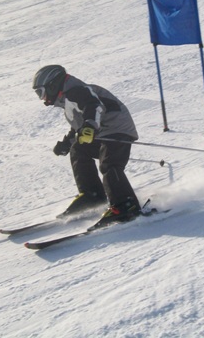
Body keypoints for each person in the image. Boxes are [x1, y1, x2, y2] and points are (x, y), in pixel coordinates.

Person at [32, 65, 142, 226]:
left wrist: (90, 126)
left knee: (109, 164)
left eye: (41, 92)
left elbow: (94, 106)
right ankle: (92, 195)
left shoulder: (77, 91)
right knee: (78, 149)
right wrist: (67, 143)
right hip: (102, 132)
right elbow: (79, 126)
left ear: (52, 85)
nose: (42, 98)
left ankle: (126, 204)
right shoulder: (68, 99)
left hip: (116, 129)